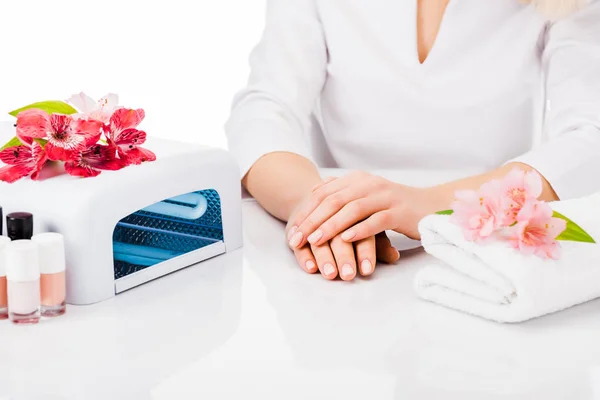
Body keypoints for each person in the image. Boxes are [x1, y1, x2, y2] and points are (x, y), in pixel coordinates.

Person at [225, 0, 600, 281]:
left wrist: (431, 205)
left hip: (480, 264)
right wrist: (319, 209)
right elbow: (264, 108)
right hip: (343, 267)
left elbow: (590, 139)